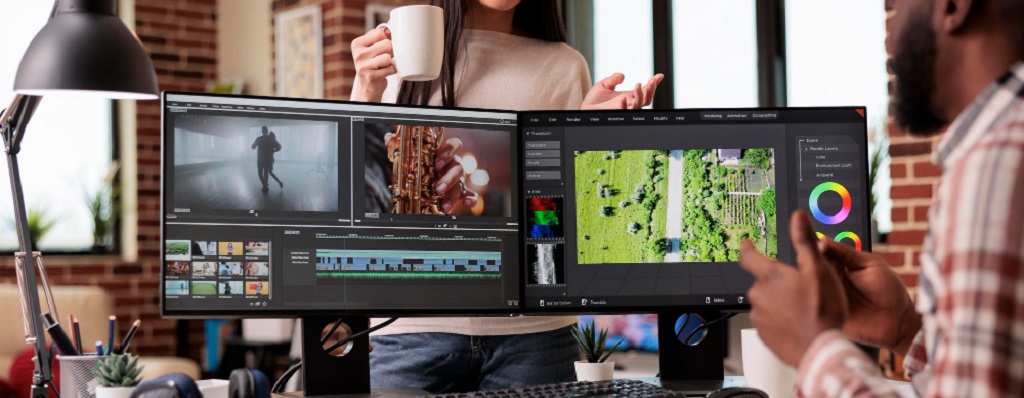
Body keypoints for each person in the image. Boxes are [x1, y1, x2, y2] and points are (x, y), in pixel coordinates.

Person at [350, 0, 663, 393]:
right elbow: (357, 205)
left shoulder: (565, 65)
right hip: (412, 330)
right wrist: (365, 90)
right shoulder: (399, 55)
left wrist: (590, 135)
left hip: (536, 334)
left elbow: (567, 215)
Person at [737, 0, 1024, 396]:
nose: (889, 34)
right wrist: (907, 328)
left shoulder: (999, 160)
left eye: (898, 5)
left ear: (953, 7)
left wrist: (813, 345)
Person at [251, 126, 282, 192]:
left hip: (260, 159)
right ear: (267, 131)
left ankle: (265, 186)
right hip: (269, 159)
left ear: (262, 131)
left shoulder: (259, 139)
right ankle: (267, 185)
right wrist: (272, 151)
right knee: (267, 172)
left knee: (260, 173)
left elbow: (252, 147)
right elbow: (279, 147)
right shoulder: (271, 139)